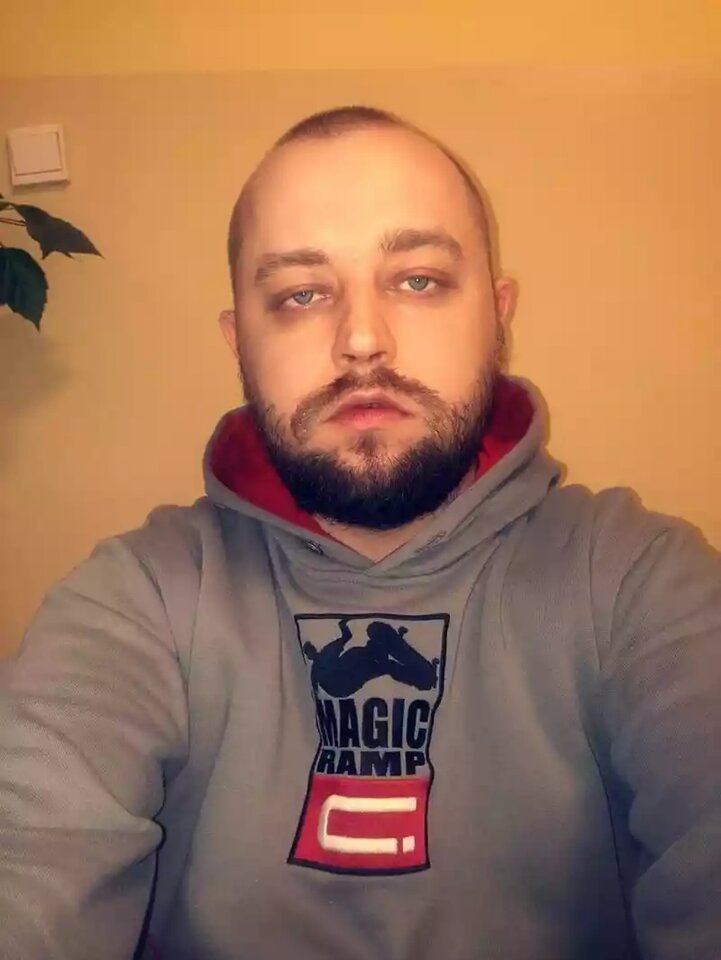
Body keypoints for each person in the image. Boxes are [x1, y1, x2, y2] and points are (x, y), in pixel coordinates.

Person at [0, 104, 719, 960]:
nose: (362, 340)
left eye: (417, 280)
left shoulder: (640, 577)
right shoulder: (137, 598)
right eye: (300, 295)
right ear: (238, 341)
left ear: (497, 315)